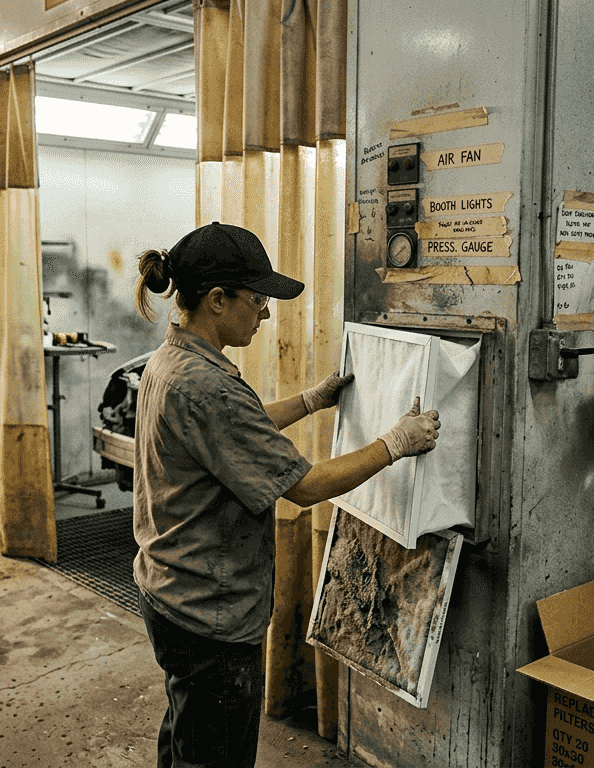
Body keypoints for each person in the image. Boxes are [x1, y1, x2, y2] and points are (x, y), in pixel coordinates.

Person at [131, 221, 441, 768]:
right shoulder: (209, 386)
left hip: (169, 596)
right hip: (213, 619)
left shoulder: (172, 361)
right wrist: (394, 443)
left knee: (186, 739)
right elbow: (304, 487)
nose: (266, 314)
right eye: (258, 301)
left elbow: (231, 434)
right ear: (218, 300)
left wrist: (309, 400)